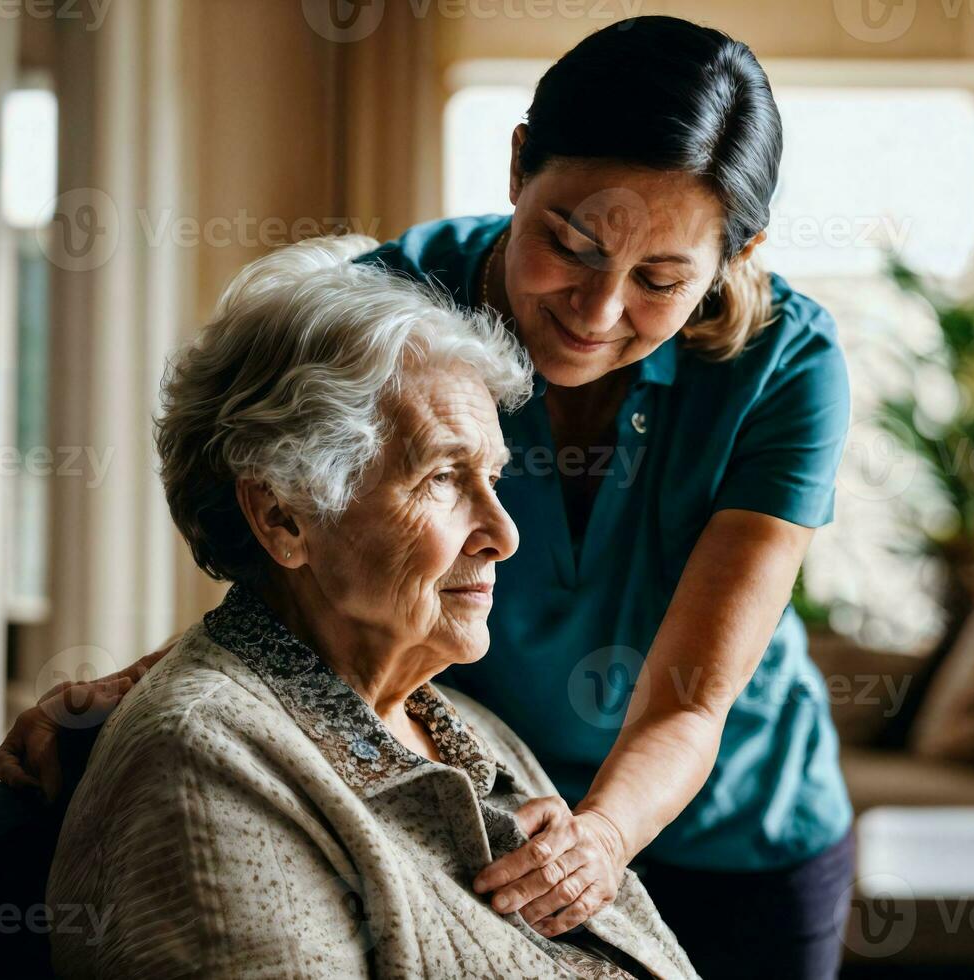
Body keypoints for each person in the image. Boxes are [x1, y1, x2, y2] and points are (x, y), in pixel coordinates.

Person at [1, 16, 855, 978]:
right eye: (568, 244)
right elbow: (298, 536)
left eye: (661, 279)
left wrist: (604, 838)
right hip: (486, 791)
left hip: (737, 825)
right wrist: (144, 684)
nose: (597, 310)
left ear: (735, 257)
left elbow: (691, 699)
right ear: (519, 164)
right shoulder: (400, 304)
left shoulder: (787, 364)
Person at [45, 237, 698, 979]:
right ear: (284, 517)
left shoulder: (468, 727)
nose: (504, 535)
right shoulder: (203, 765)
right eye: (444, 479)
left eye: (491, 476)